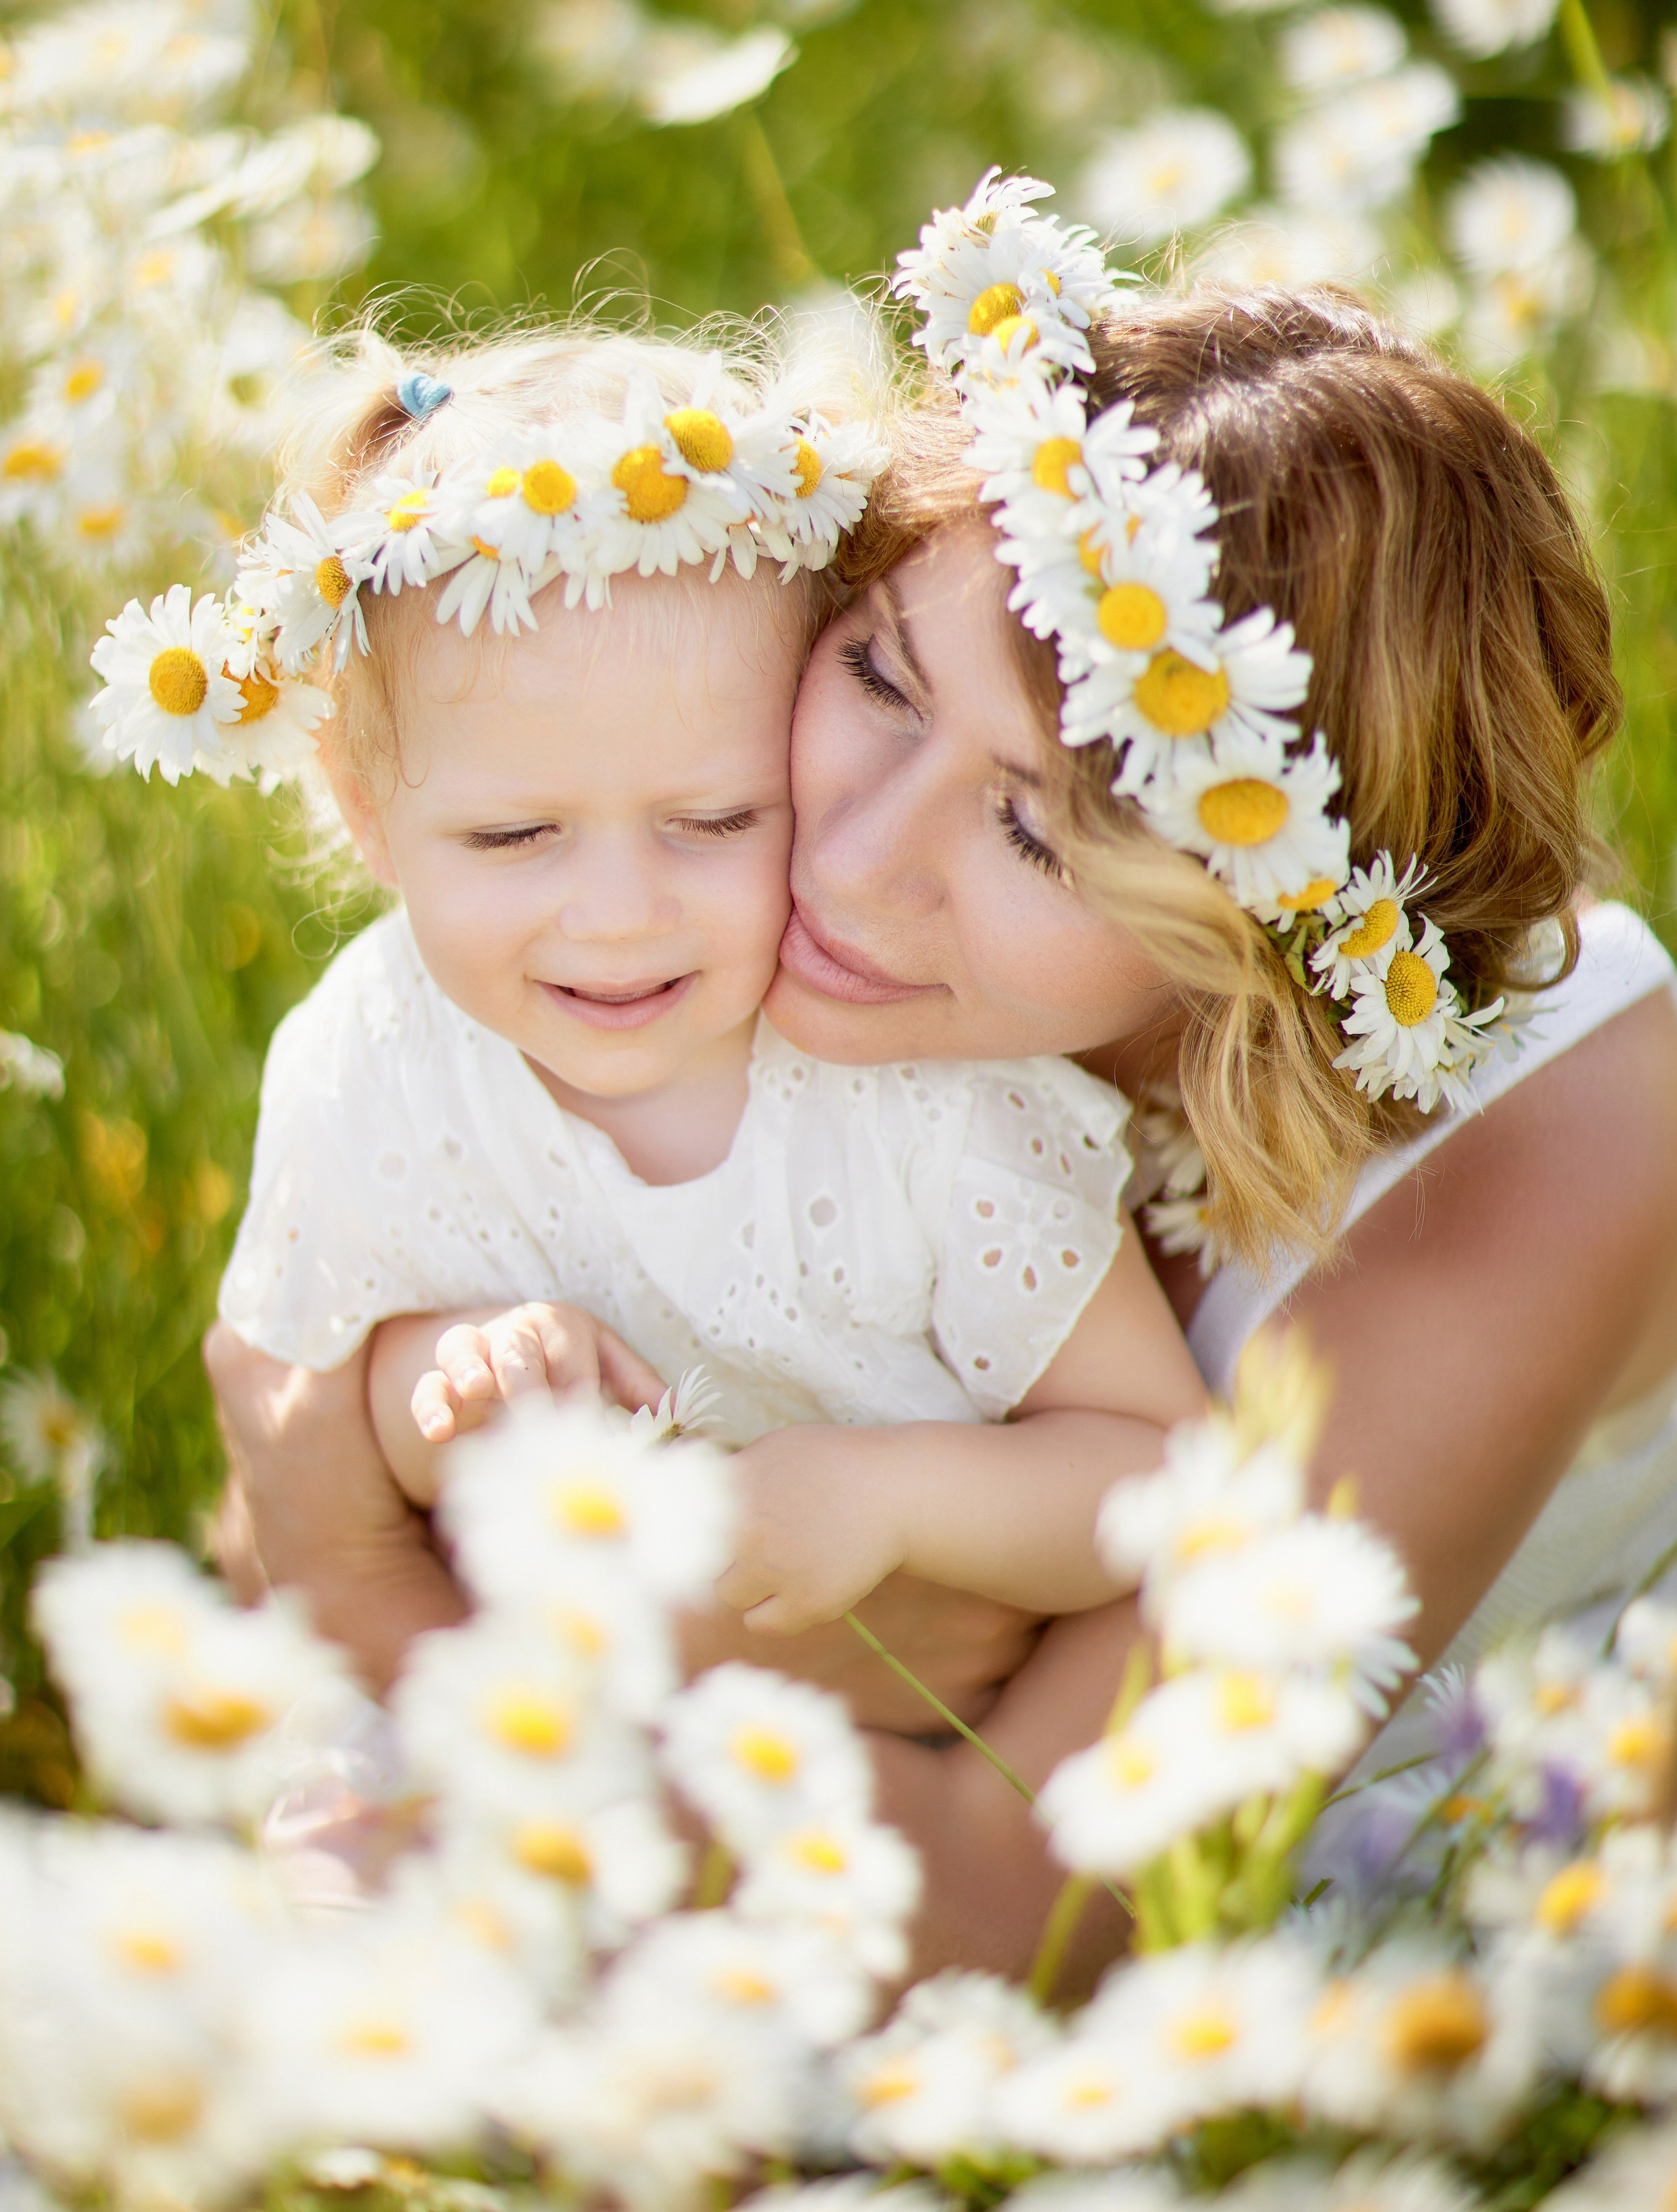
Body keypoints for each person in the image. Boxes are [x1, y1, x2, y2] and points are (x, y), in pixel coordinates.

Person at [204, 175, 1677, 1989]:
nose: (850, 857)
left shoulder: (1552, 1163)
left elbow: (1029, 1900)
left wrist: (357, 1576)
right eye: (885, 677)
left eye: (1033, 833)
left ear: (1265, 909)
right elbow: (364, 1361)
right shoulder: (723, 933)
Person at [103, 320, 1207, 1651]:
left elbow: (1160, 1464)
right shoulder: (373, 1055)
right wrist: (447, 1395)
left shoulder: (915, 1100)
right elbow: (312, 1404)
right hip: (514, 1722)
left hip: (865, 1758)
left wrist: (892, 1497)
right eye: (514, 838)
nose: (618, 918)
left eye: (715, 821)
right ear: (362, 810)